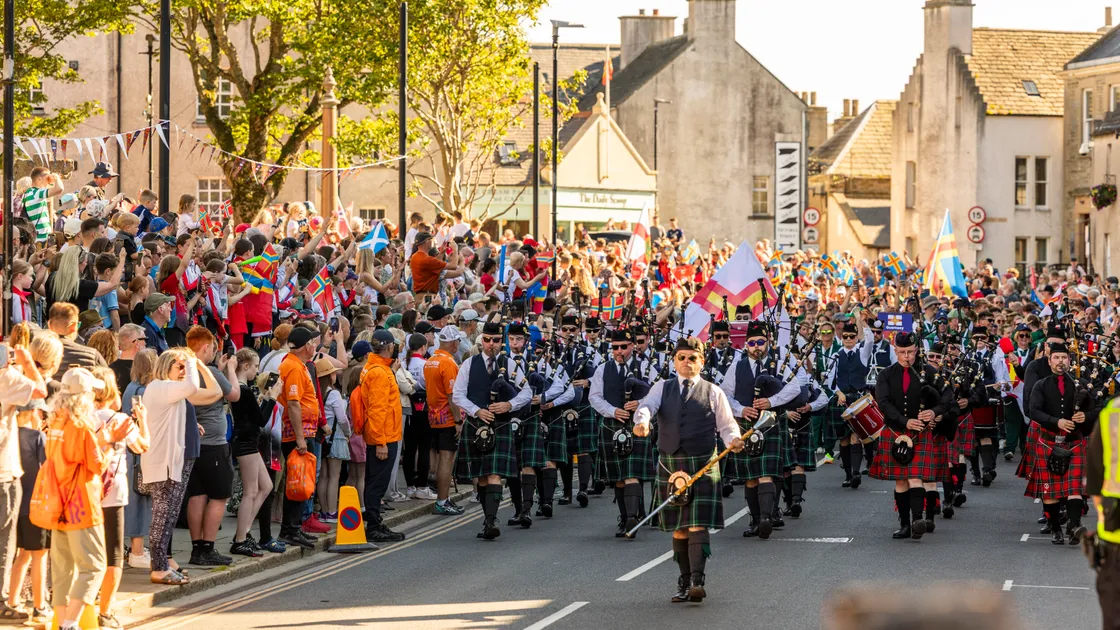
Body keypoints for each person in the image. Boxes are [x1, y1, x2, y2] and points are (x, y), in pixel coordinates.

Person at [634, 336, 744, 603]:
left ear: (701, 362)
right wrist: (642, 421)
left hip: (702, 464)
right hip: (670, 463)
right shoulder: (662, 387)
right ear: (674, 361)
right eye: (681, 358)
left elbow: (727, 425)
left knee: (697, 524)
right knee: (679, 528)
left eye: (692, 358)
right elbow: (647, 407)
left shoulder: (713, 391)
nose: (686, 362)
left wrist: (734, 440)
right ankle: (683, 582)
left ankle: (697, 580)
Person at [43, 368, 131, 630]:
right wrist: (110, 442)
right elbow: (97, 464)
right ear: (84, 395)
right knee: (93, 567)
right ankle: (69, 624)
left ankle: (62, 622)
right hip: (81, 504)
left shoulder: (56, 422)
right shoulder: (81, 426)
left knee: (63, 571)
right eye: (92, 392)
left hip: (59, 503)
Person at [719, 320, 801, 538]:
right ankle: (755, 521)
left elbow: (795, 387)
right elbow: (725, 394)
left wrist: (771, 401)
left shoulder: (779, 363)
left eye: (761, 342)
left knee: (766, 474)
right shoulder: (737, 366)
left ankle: (766, 518)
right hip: (746, 423)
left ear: (768, 342)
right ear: (746, 344)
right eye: (752, 343)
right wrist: (741, 409)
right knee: (750, 477)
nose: (756, 347)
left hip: (769, 422)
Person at [452, 321, 532, 540]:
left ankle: (491, 520)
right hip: (477, 425)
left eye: (495, 340)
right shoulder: (469, 364)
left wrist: (509, 405)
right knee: (482, 476)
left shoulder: (511, 364)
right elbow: (458, 394)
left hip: (501, 424)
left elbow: (526, 393)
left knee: (494, 473)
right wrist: (476, 411)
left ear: (501, 341)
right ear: (481, 341)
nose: (491, 344)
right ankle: (488, 519)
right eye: (487, 340)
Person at [869, 332, 951, 540]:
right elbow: (883, 403)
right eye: (902, 352)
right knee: (901, 481)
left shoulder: (929, 372)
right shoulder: (886, 374)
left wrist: (934, 412)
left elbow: (948, 396)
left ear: (916, 350)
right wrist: (905, 421)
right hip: (896, 431)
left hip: (920, 432)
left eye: (910, 352)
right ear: (895, 351)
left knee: (915, 477)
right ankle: (904, 525)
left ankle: (917, 521)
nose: (907, 357)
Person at [90, 367, 148, 630]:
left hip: (84, 493)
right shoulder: (120, 420)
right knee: (112, 554)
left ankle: (84, 601)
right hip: (112, 493)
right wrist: (142, 419)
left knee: (87, 551)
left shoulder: (78, 418)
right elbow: (142, 446)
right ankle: (104, 612)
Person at [1026, 342, 1099, 545]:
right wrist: (1056, 421)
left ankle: (1074, 526)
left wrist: (1086, 416)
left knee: (1075, 489)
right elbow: (1034, 411)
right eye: (1056, 358)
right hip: (1049, 442)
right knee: (1050, 492)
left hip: (1074, 442)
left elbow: (1099, 406)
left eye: (1064, 358)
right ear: (1049, 362)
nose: (1060, 361)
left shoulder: (1081, 384)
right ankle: (1056, 529)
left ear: (1069, 361)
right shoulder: (1041, 385)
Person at [590, 327, 655, 539]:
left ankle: (632, 519)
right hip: (612, 425)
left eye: (624, 347)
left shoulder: (645, 366)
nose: (619, 351)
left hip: (637, 425)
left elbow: (660, 392)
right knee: (618, 477)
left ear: (632, 346)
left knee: (632, 474)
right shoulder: (603, 369)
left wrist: (640, 402)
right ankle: (625, 517)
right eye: (615, 347)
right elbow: (594, 397)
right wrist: (612, 411)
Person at [184, 326, 239, 566]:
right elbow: (234, 395)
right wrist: (231, 370)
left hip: (192, 442)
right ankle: (208, 547)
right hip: (214, 443)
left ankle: (197, 549)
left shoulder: (181, 369)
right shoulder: (211, 372)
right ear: (205, 347)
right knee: (219, 496)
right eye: (212, 350)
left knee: (197, 495)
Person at [0, 343, 47, 623]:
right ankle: (3, 600)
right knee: (6, 541)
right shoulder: (5, 377)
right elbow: (40, 391)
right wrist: (27, 363)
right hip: (4, 473)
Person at [354, 330, 406, 542]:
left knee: (374, 481)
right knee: (377, 483)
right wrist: (381, 442)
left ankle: (374, 522)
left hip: (383, 434)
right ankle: (373, 526)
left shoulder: (375, 368)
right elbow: (377, 410)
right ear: (390, 347)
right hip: (384, 437)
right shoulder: (379, 373)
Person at [276, 327, 322, 550]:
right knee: (298, 481)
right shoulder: (293, 366)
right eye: (313, 343)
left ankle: (293, 527)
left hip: (304, 431)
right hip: (298, 434)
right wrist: (300, 438)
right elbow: (294, 404)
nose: (315, 346)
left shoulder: (297, 364)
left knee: (301, 482)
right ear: (306, 346)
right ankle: (290, 530)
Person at [7, 399, 49, 624]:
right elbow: (47, 467)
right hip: (36, 505)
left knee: (22, 555)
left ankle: (13, 601)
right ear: (34, 412)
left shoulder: (11, 435)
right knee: (40, 555)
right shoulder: (37, 437)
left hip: (16, 504)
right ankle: (40, 606)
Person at [228, 349, 274, 557]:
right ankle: (240, 539)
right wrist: (272, 399)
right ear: (245, 366)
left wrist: (265, 399)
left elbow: (254, 417)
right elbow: (261, 421)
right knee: (251, 491)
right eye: (255, 366)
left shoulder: (242, 390)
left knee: (266, 486)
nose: (257, 370)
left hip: (249, 442)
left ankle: (244, 531)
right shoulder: (243, 390)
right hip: (245, 442)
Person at [423, 326, 464, 516]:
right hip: (447, 418)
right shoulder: (448, 363)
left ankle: (443, 499)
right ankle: (442, 501)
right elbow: (452, 395)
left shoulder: (430, 361)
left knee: (441, 460)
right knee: (447, 461)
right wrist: (458, 420)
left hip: (433, 416)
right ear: (454, 343)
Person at [316, 357, 349, 524]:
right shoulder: (334, 393)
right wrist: (348, 432)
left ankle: (323, 511)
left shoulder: (317, 393)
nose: (335, 375)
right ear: (329, 376)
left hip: (322, 437)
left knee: (323, 476)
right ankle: (332, 512)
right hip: (335, 437)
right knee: (334, 476)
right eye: (333, 373)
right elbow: (342, 418)